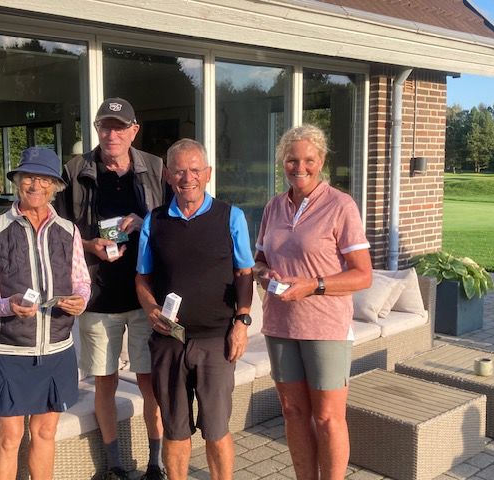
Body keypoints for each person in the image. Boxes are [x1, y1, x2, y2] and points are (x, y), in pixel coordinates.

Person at [54, 98, 165, 479]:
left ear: (134, 130)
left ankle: (155, 463)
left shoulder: (156, 168)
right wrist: (89, 245)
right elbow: (61, 232)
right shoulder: (75, 170)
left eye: (119, 127)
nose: (111, 134)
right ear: (97, 129)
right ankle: (115, 464)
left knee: (149, 382)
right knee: (105, 382)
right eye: (105, 126)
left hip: (144, 296)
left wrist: (146, 221)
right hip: (98, 296)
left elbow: (171, 223)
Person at [253, 125, 372, 480]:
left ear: (321, 161)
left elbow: (363, 275)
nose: (299, 167)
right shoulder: (273, 207)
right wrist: (262, 273)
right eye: (292, 160)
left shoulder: (340, 205)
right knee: (292, 411)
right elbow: (258, 260)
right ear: (282, 162)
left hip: (325, 327)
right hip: (280, 324)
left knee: (327, 417)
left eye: (308, 160)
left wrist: (314, 285)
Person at [0, 147, 91, 480]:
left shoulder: (69, 230)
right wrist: (6, 305)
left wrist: (80, 300)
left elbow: (82, 281)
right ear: (18, 181)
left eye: (45, 179)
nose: (36, 186)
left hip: (56, 349)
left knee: (45, 433)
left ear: (55, 186)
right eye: (29, 178)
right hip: (8, 350)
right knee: (9, 438)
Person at [135, 138, 255, 480]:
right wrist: (150, 308)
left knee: (216, 430)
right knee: (175, 430)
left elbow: (244, 273)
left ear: (208, 173)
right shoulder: (155, 221)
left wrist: (242, 322)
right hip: (169, 340)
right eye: (179, 171)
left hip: (216, 340)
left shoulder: (230, 216)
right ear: (168, 175)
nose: (187, 178)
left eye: (195, 170)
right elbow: (142, 277)